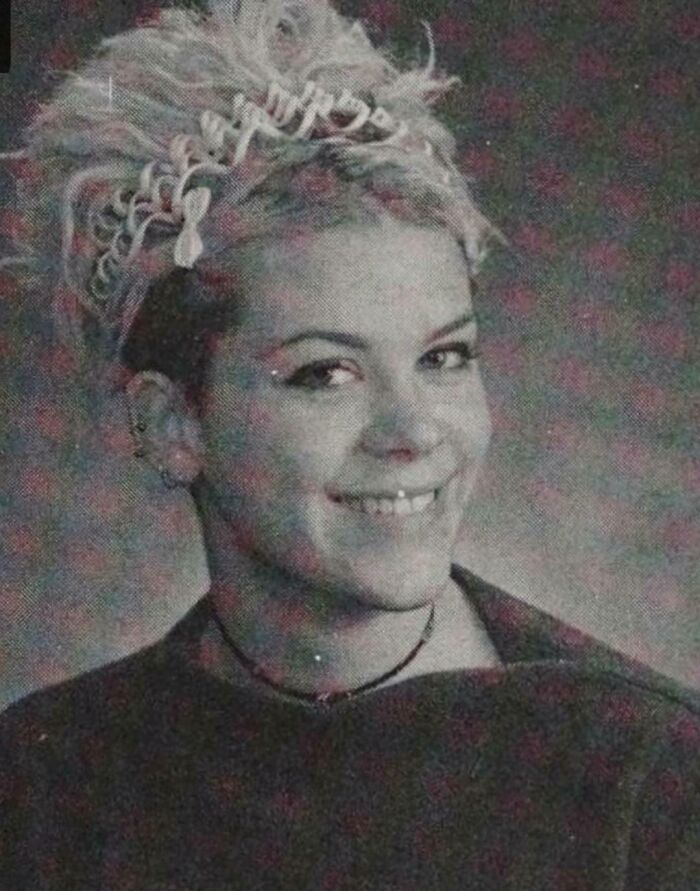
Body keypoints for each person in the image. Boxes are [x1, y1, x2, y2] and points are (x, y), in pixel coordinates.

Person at [0, 1, 698, 888]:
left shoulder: (650, 781)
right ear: (172, 424)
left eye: (445, 358)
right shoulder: (44, 786)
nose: (414, 433)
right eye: (326, 373)